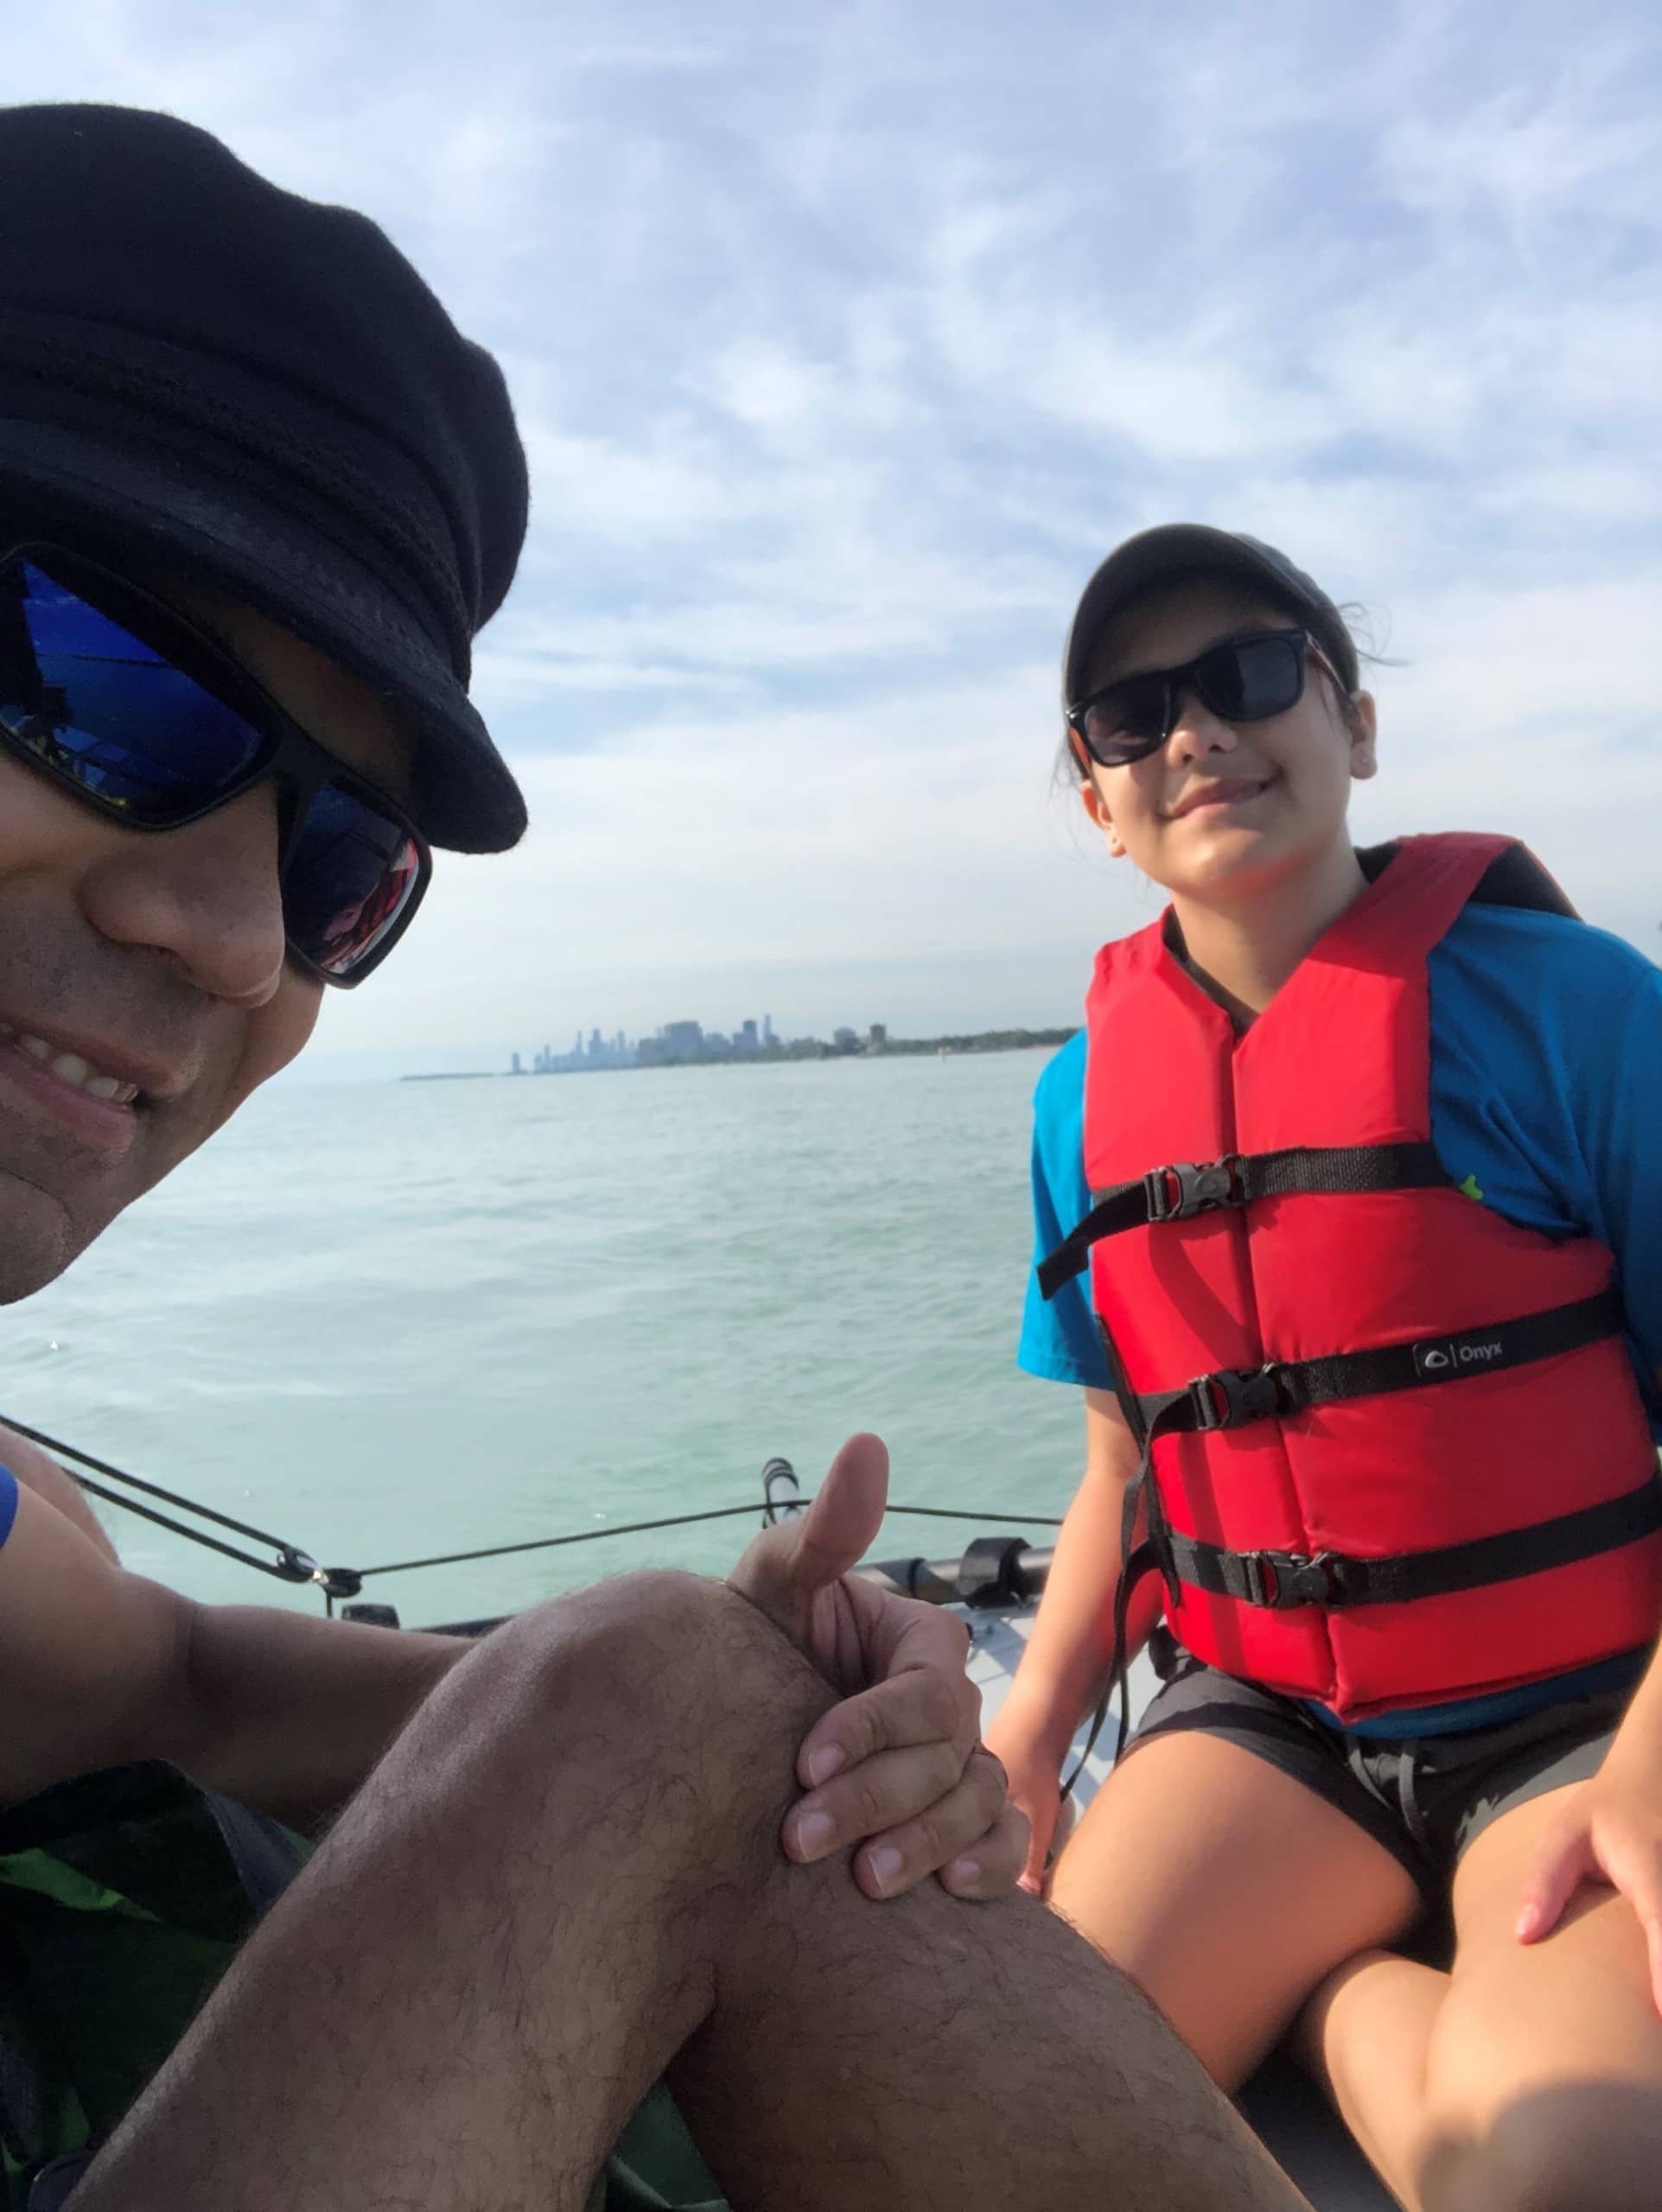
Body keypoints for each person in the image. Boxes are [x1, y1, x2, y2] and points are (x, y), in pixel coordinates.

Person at [0, 105, 1309, 2212]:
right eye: (108, 689)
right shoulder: (1103, 1092)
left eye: (343, 862)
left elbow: (163, 1672)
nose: (236, 934)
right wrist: (650, 1712)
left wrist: (747, 1699)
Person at [986, 519, 1662, 2211]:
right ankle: (1334, 1966)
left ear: (1352, 724)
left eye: (1246, 674)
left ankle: (1324, 1992)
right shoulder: (1076, 1108)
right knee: (1011, 2127)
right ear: (1094, 797)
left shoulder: (1575, 1013)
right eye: (1131, 715)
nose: (1194, 734)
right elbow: (1118, 1469)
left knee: (1561, 2170)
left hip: (1574, 1714)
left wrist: (1650, 1768)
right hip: (1261, 1726)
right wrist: (1018, 1744)